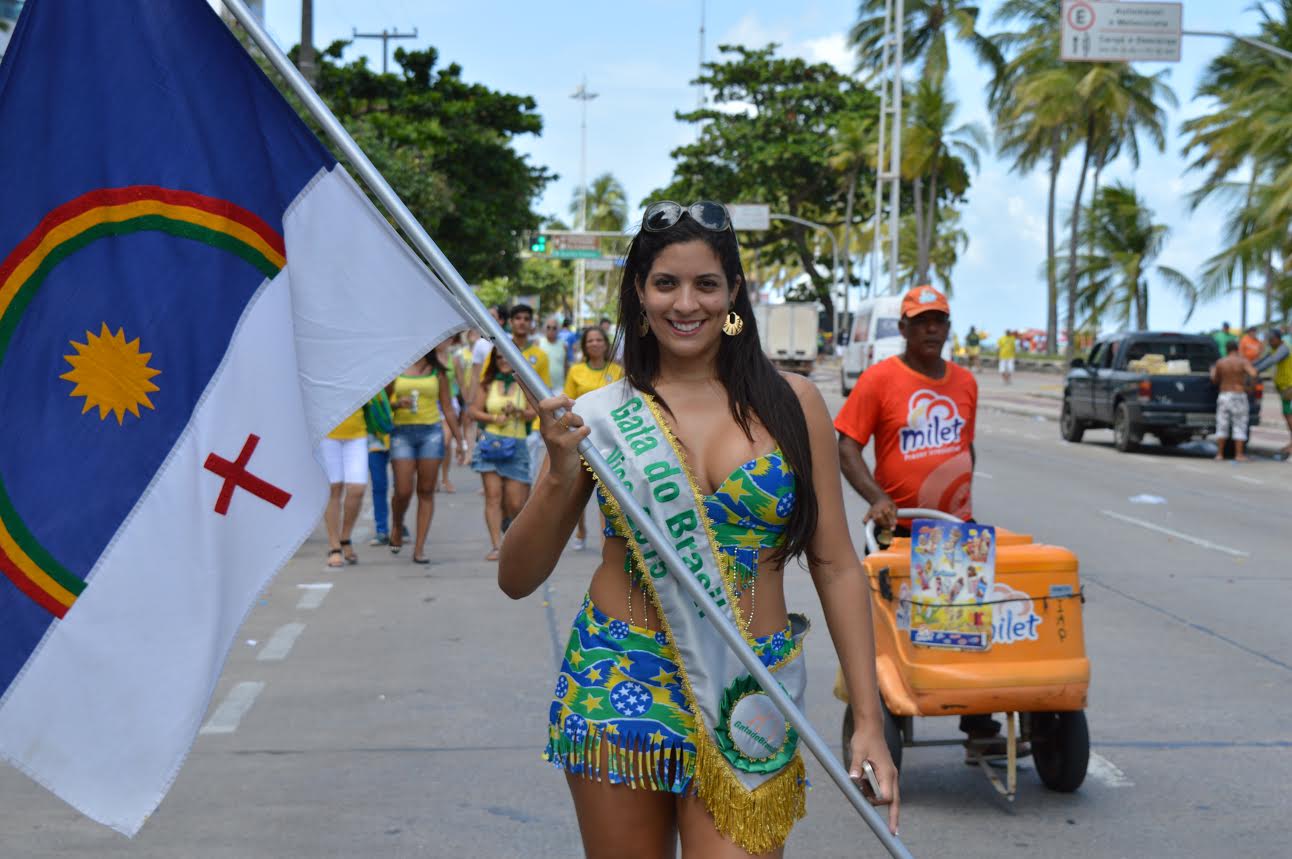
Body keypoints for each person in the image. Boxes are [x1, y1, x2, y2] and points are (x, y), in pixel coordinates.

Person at [499, 200, 899, 856]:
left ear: (734, 292)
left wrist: (868, 718)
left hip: (750, 683)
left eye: (706, 284)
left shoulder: (793, 403)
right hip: (620, 671)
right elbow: (516, 579)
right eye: (666, 283)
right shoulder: (598, 416)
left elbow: (833, 564)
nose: (686, 303)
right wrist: (557, 471)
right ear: (640, 291)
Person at [834, 284, 1005, 758]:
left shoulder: (966, 383)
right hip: (898, 531)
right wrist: (878, 496)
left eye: (939, 321)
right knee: (895, 634)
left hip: (952, 531)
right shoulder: (879, 380)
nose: (931, 329)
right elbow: (847, 445)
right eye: (921, 321)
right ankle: (883, 709)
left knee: (965, 628)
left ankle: (978, 723)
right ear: (904, 328)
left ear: (948, 329)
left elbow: (965, 446)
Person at [387, 348, 466, 564]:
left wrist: (460, 441)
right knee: (403, 490)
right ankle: (397, 524)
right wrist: (396, 404)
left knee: (426, 490)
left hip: (431, 433)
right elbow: (383, 402)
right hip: (402, 433)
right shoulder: (396, 367)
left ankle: (419, 548)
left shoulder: (437, 371)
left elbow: (448, 408)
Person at [468, 350, 535, 561]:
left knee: (516, 503)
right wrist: (493, 418)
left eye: (507, 357)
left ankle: (515, 539)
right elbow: (474, 411)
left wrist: (518, 411)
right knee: (492, 496)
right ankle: (497, 546)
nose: (503, 361)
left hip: (517, 445)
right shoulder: (487, 383)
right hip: (490, 444)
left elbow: (535, 412)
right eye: (499, 358)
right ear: (494, 362)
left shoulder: (525, 383)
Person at [562, 325, 624, 551]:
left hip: (610, 439)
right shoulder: (576, 371)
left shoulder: (618, 371)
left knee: (608, 491)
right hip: (582, 438)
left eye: (599, 340)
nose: (595, 344)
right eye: (590, 341)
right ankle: (580, 530)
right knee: (577, 490)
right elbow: (567, 402)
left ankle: (606, 540)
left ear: (606, 344)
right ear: (585, 346)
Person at [318, 408, 368, 567]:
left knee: (357, 489)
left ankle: (345, 537)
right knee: (334, 488)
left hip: (357, 433)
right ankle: (335, 547)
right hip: (327, 433)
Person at [1210, 340, 1256, 462]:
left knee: (1222, 424)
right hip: (1239, 394)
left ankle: (1219, 454)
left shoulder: (1221, 362)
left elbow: (1214, 380)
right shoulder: (1243, 361)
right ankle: (1239, 454)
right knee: (1240, 424)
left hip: (1225, 394)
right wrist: (1250, 387)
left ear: (1226, 349)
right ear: (1237, 349)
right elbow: (1253, 373)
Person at [1255, 328, 1292, 459]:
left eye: (1272, 340)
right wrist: (1249, 366)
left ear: (1279, 339)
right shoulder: (1274, 349)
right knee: (1287, 415)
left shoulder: (1284, 349)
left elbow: (1272, 361)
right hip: (1283, 387)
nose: (1270, 342)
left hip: (1289, 386)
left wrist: (1255, 370)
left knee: (1289, 415)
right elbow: (1263, 360)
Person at [538, 315, 569, 394]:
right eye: (548, 327)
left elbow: (565, 366)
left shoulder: (563, 345)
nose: (551, 330)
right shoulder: (538, 343)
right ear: (545, 328)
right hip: (541, 386)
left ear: (558, 330)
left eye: (554, 328)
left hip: (559, 388)